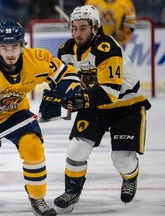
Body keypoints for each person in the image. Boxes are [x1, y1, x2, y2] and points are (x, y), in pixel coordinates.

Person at [0, 20, 80, 216]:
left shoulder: (37, 58)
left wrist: (60, 95)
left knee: (33, 148)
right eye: (4, 47)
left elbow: (69, 76)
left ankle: (37, 197)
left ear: (23, 46)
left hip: (16, 115)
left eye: (14, 47)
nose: (10, 53)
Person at [50, 5, 151, 214]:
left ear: (95, 28)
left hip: (126, 106)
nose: (78, 33)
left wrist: (80, 99)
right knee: (76, 148)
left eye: (83, 28)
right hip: (94, 105)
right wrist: (58, 98)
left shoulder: (107, 47)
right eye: (75, 28)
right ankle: (72, 191)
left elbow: (111, 91)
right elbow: (62, 82)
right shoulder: (65, 50)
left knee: (121, 159)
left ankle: (130, 177)